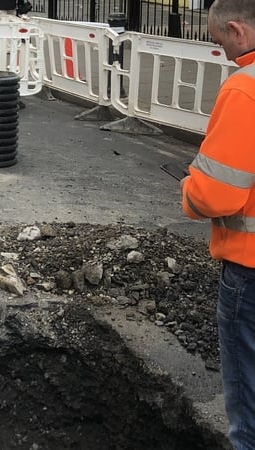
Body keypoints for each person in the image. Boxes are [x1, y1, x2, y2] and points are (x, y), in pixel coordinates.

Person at [180, 0, 255, 448]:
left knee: (248, 411)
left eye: (219, 42)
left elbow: (215, 193)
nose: (223, 52)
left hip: (249, 272)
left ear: (237, 30)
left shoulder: (245, 89)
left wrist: (189, 192)